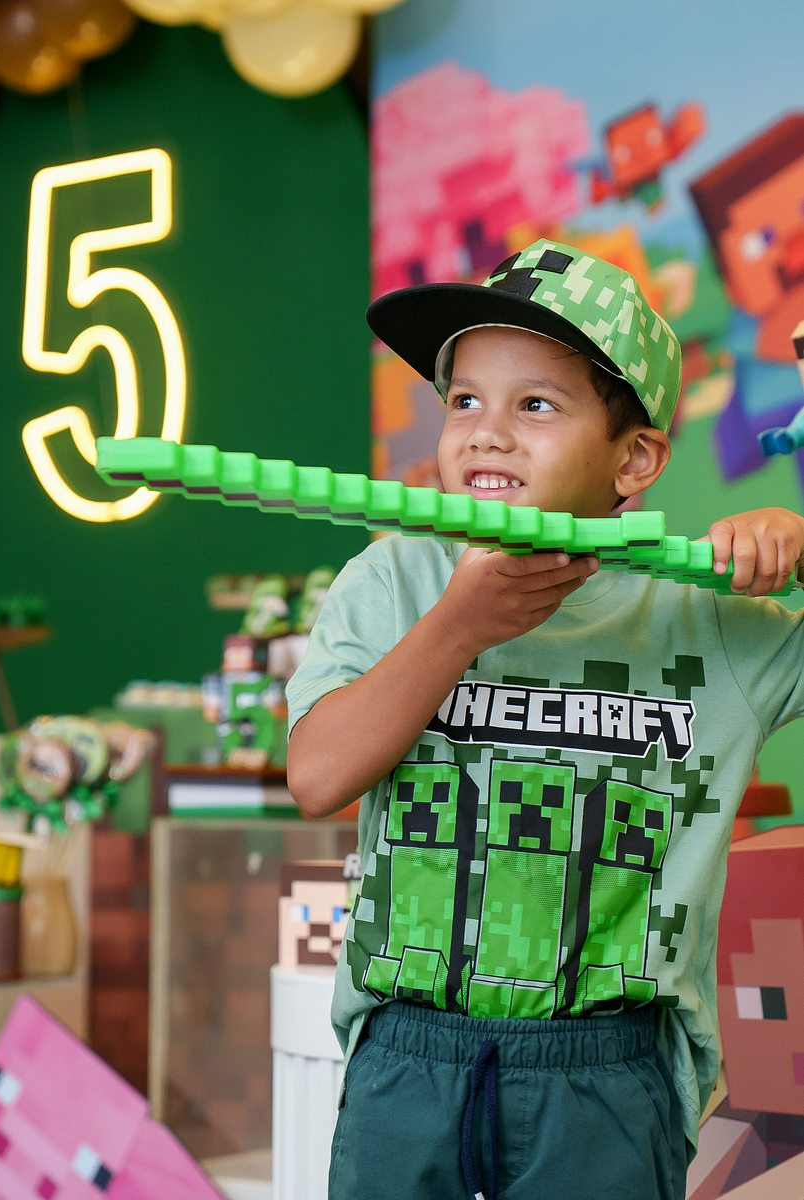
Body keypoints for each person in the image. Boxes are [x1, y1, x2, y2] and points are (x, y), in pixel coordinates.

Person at [285, 239, 804, 1200]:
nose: (485, 433)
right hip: (407, 1053)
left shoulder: (708, 620)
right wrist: (456, 627)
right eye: (463, 400)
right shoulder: (392, 580)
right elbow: (317, 777)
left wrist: (799, 542)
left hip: (609, 1071)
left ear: (633, 457)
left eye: (535, 405)